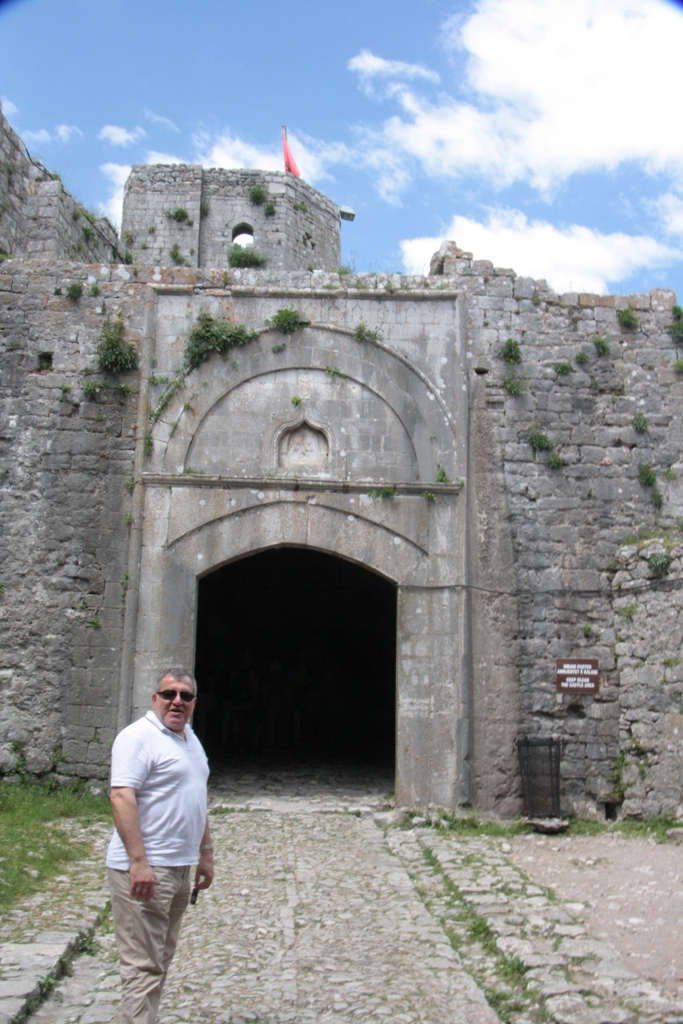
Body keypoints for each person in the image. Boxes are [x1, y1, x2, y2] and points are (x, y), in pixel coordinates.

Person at [106, 667, 214, 1024]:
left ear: (194, 703)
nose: (177, 702)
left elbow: (196, 798)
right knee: (143, 966)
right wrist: (138, 862)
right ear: (154, 698)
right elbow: (121, 796)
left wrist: (206, 854)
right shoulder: (137, 737)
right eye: (169, 694)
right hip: (146, 869)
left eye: (185, 696)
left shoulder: (190, 740)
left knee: (159, 959)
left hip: (179, 870)